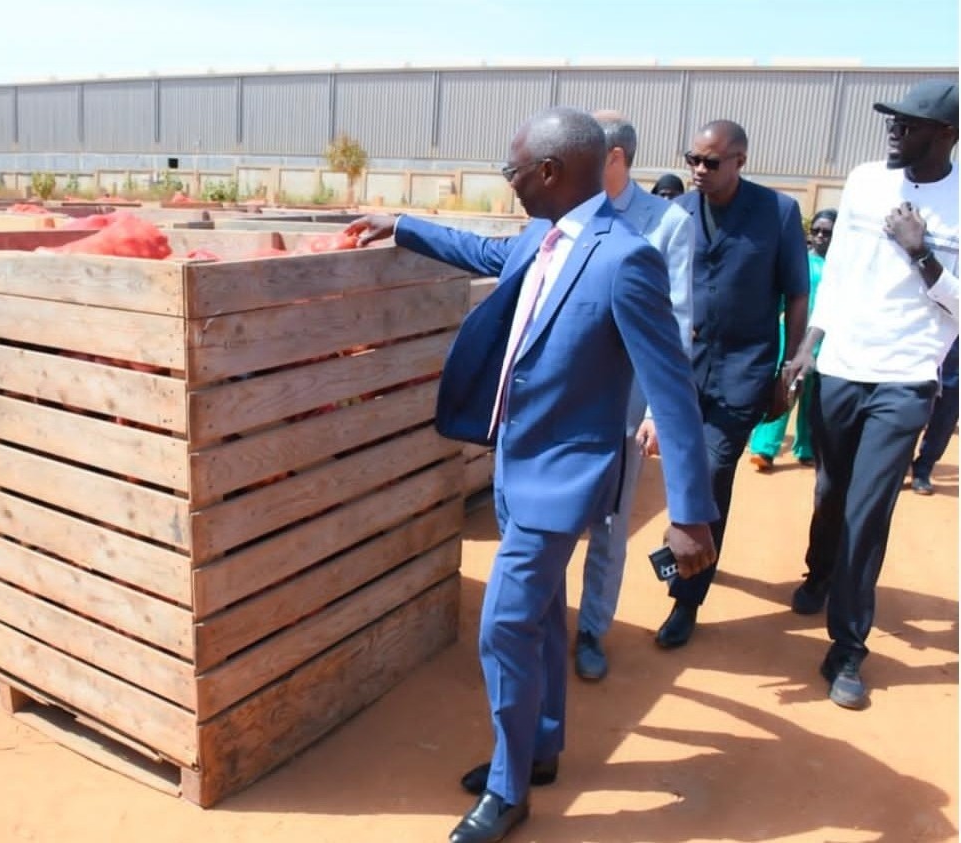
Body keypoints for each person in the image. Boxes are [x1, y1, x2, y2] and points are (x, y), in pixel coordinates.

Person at [345, 108, 718, 843]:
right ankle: (542, 746)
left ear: (550, 172)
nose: (509, 183)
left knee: (505, 626)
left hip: (567, 477)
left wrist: (691, 511)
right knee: (544, 617)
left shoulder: (624, 258)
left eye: (512, 171)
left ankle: (510, 790)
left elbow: (672, 390)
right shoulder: (536, 241)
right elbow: (484, 251)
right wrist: (404, 224)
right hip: (515, 467)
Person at [789, 78, 959, 709]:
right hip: (842, 364)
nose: (894, 131)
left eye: (909, 124)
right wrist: (809, 345)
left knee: (868, 511)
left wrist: (925, 258)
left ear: (944, 135)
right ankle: (820, 570)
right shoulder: (863, 181)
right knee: (831, 492)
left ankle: (848, 650)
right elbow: (840, 275)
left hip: (907, 376)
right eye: (892, 121)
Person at [655, 119, 811, 650]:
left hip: (745, 368)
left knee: (714, 467)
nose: (698, 170)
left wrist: (787, 371)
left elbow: (795, 293)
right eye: (692, 159)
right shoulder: (677, 214)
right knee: (685, 465)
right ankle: (686, 541)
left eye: (711, 162)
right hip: (684, 368)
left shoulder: (779, 213)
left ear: (740, 161)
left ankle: (686, 599)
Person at [573, 112, 694, 682]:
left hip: (623, 405)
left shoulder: (666, 224)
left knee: (611, 525)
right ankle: (545, 624)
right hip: (566, 400)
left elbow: (678, 323)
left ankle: (592, 630)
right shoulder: (573, 212)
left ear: (615, 158)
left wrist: (655, 415)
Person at [748, 208, 838, 470]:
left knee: (814, 399)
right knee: (785, 389)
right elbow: (783, 297)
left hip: (827, 340)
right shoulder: (800, 262)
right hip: (794, 336)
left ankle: (806, 448)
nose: (821, 236)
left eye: (827, 232)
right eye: (816, 231)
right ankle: (764, 449)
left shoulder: (842, 268)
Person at [910, 337, 959, 494]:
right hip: (924, 351)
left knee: (945, 419)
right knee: (908, 412)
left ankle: (923, 469)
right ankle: (899, 462)